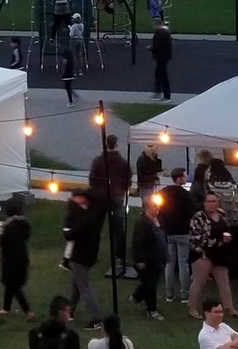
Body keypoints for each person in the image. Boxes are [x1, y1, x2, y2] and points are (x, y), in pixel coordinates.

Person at [188, 193, 238, 320]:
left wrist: (228, 238)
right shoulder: (198, 217)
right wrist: (217, 242)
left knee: (224, 282)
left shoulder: (222, 214)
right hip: (203, 254)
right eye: (210, 201)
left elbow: (229, 229)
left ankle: (229, 308)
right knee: (199, 282)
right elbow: (196, 237)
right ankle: (192, 309)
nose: (212, 204)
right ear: (204, 203)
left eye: (215, 201)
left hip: (220, 255)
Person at [89, 134, 132, 271]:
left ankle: (92, 254)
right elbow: (128, 179)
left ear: (105, 144)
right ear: (116, 144)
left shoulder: (98, 161)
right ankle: (120, 257)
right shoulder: (123, 162)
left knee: (96, 227)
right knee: (118, 229)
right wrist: (123, 191)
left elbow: (92, 180)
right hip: (117, 197)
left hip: (100, 198)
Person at [65, 190, 104, 330]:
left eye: (77, 197)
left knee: (84, 287)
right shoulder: (94, 214)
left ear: (84, 199)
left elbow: (70, 235)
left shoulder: (83, 217)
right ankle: (70, 311)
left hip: (80, 256)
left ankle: (97, 318)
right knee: (76, 284)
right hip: (90, 254)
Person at [159, 167, 196, 305]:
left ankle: (169, 294)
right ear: (179, 178)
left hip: (168, 231)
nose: (186, 178)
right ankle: (184, 294)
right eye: (185, 176)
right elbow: (190, 212)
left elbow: (160, 210)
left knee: (169, 263)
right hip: (183, 232)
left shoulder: (163, 192)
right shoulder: (184, 194)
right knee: (183, 264)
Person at [0, 199, 34, 320]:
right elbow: (27, 236)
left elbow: (3, 242)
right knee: (9, 284)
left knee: (13, 285)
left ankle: (28, 311)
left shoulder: (8, 226)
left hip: (11, 259)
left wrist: (0, 232)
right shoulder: (24, 223)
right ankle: (6, 308)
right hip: (22, 256)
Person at [131, 196, 167, 320]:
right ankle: (152, 310)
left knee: (151, 282)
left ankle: (136, 297)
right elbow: (138, 243)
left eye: (157, 205)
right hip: (147, 260)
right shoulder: (142, 223)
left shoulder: (159, 220)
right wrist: (140, 260)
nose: (157, 208)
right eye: (154, 206)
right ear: (147, 208)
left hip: (158, 258)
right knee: (150, 285)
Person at [149, 17, 172, 102]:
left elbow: (158, 45)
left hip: (162, 57)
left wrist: (151, 48)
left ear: (157, 24)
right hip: (163, 56)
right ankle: (158, 92)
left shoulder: (161, 33)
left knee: (162, 76)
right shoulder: (164, 32)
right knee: (159, 74)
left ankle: (166, 96)